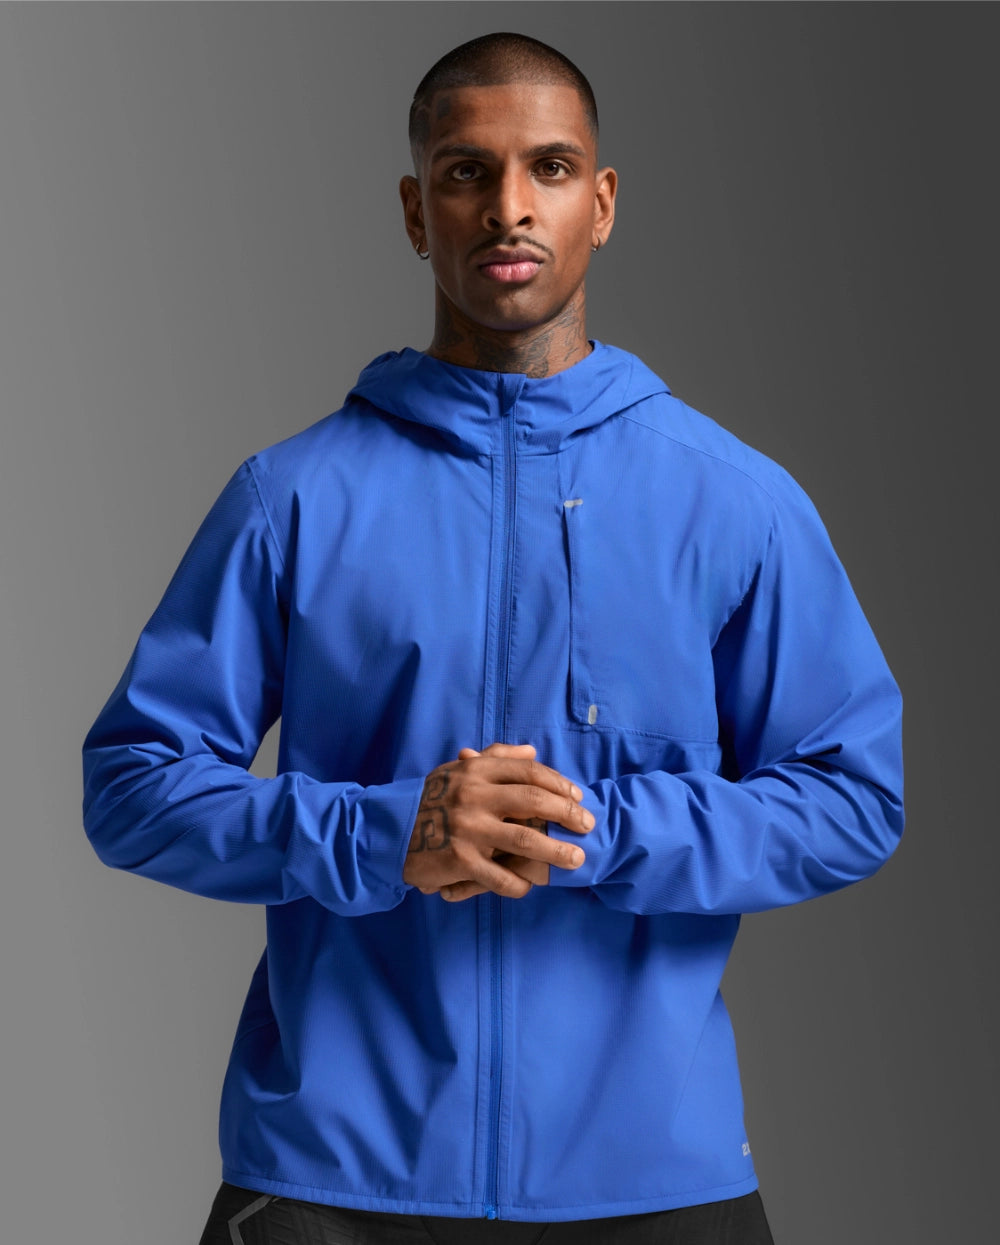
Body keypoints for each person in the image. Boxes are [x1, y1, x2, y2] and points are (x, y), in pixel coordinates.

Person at [82, 32, 904, 1245]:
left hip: (651, 1183)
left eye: (549, 168)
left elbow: (852, 797)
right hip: (331, 1182)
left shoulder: (736, 502)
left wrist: (597, 829)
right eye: (466, 172)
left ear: (601, 204)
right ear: (416, 212)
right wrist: (386, 833)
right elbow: (131, 787)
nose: (509, 207)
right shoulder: (290, 499)